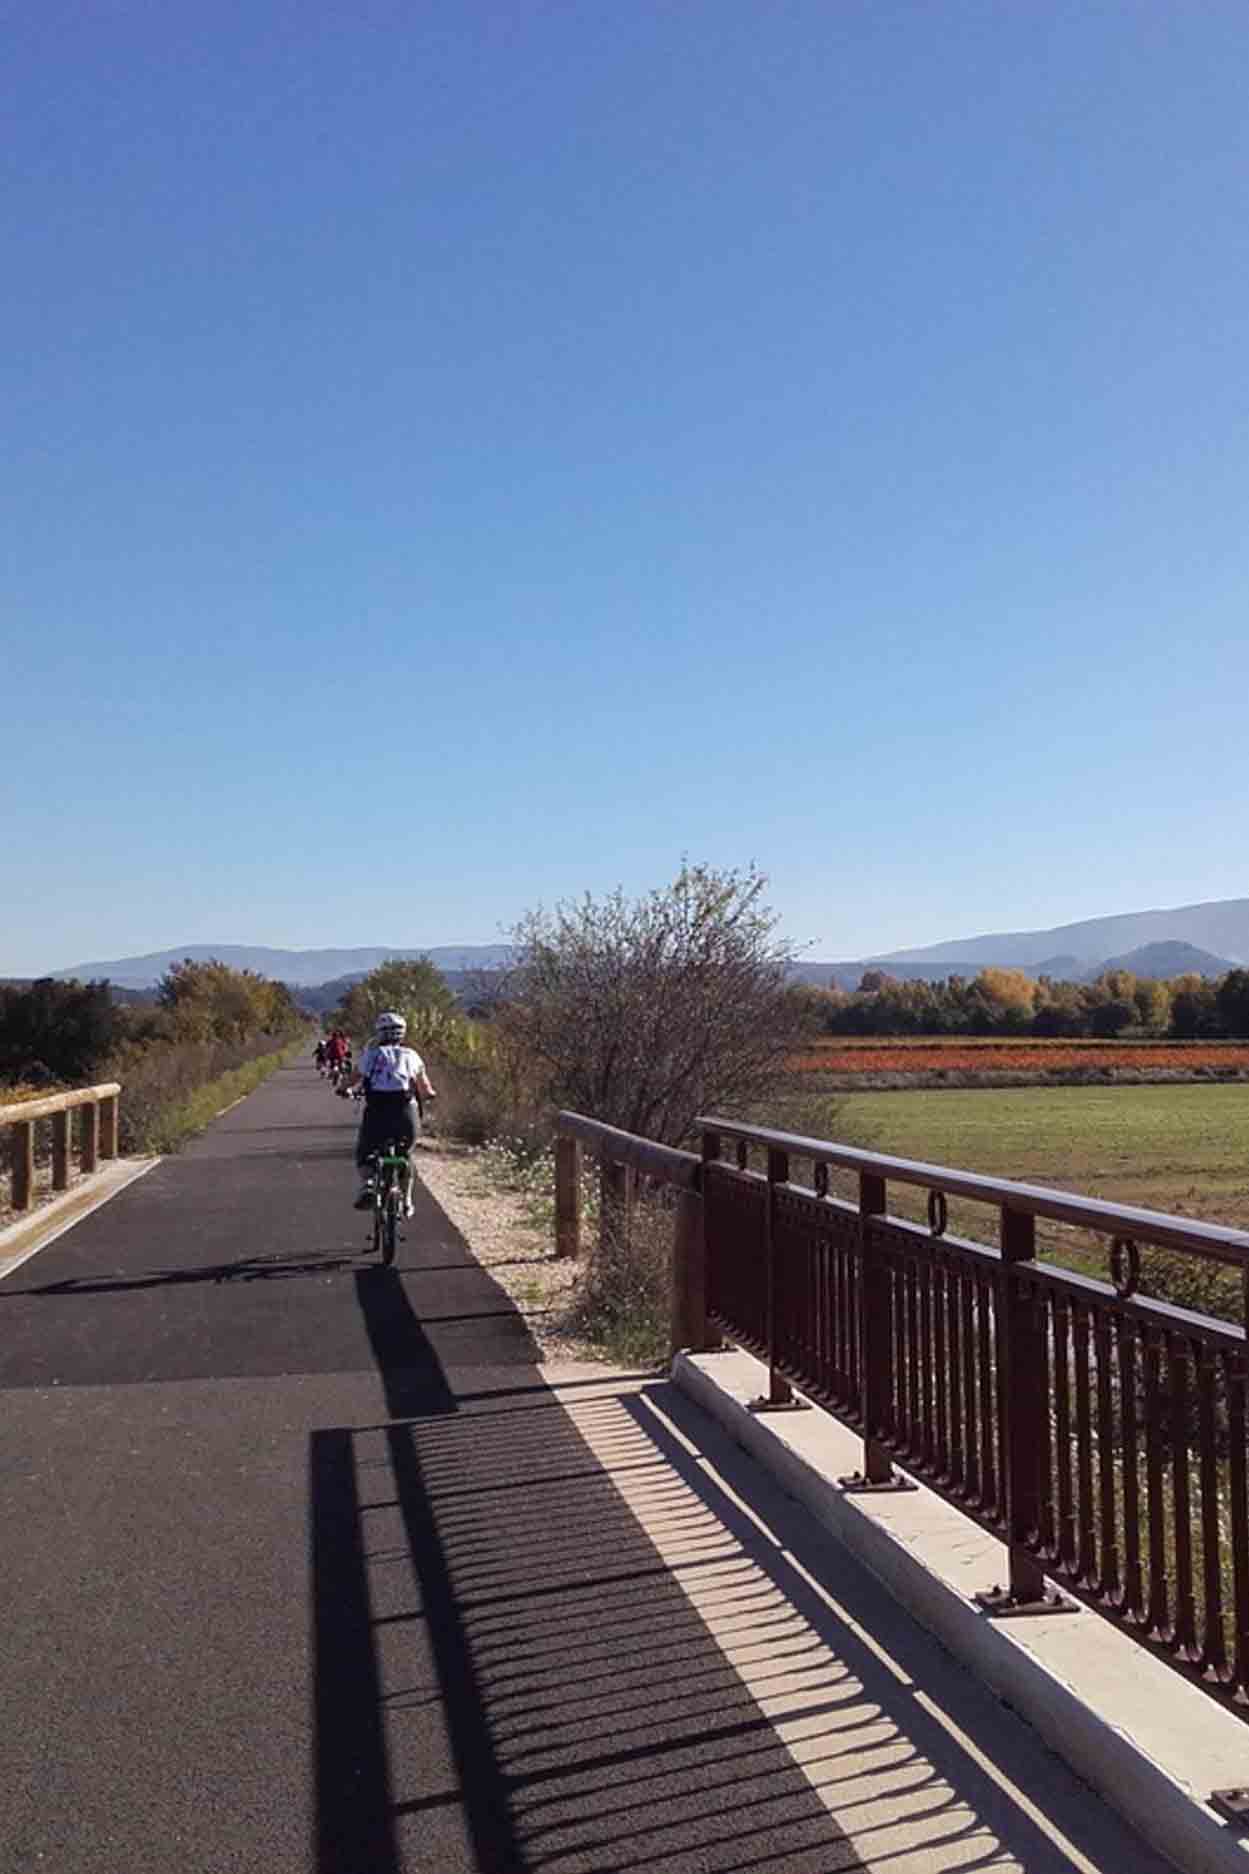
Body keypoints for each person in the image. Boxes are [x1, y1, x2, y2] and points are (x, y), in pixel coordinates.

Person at [349, 1011, 436, 1216]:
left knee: (365, 1152)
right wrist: (430, 1094)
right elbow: (425, 1087)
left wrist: (345, 1089)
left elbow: (353, 1079)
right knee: (405, 1154)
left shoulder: (370, 1055)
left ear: (379, 1033)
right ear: (402, 1034)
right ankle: (406, 1201)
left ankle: (368, 1184)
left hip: (377, 1112)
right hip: (405, 1112)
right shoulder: (412, 1055)